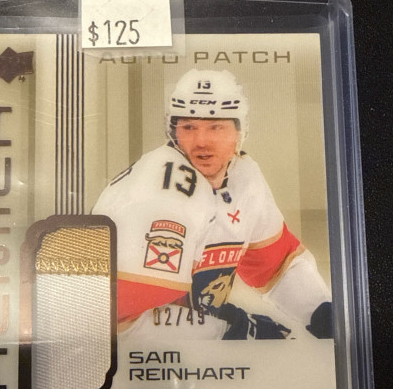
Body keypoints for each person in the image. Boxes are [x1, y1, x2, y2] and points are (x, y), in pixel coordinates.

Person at [93, 68, 332, 340]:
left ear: (239, 132)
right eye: (189, 127)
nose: (201, 141)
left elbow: (275, 265)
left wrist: (321, 312)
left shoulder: (242, 177)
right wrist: (228, 330)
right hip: (112, 347)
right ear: (173, 132)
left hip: (188, 342)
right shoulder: (161, 187)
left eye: (216, 127)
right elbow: (121, 317)